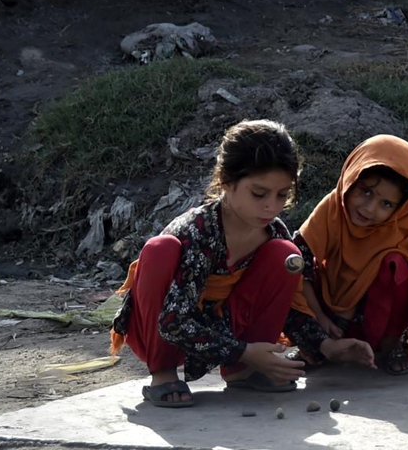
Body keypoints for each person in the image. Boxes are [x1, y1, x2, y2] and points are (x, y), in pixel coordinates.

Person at [109, 119, 309, 408]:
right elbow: (173, 322)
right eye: (259, 194)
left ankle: (244, 372)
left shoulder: (273, 232)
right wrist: (242, 350)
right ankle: (163, 375)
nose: (271, 206)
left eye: (282, 195)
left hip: (226, 333)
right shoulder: (198, 232)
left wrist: (327, 345)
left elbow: (287, 306)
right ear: (227, 181)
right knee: (160, 249)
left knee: (286, 254)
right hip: (164, 330)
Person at [283, 134, 408, 376]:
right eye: (365, 191)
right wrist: (319, 319)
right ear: (351, 179)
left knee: (398, 264)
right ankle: (318, 343)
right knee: (288, 262)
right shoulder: (333, 209)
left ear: (402, 208)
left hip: (377, 321)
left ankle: (392, 345)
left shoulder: (398, 231)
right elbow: (299, 258)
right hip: (329, 315)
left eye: (386, 204)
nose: (369, 209)